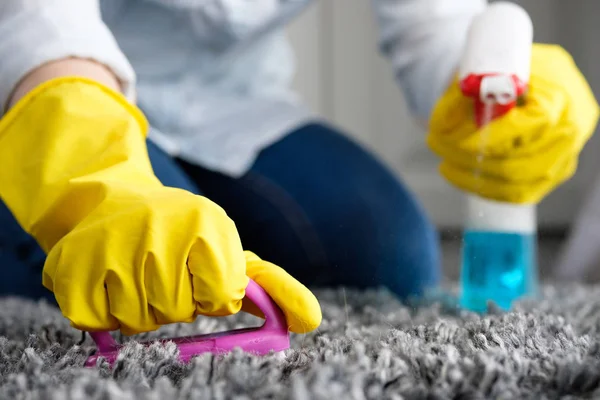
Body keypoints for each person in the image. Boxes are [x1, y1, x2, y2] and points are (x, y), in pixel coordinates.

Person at [0, 0, 596, 336]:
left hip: (232, 103)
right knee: (152, 300)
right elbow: (36, 26)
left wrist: (490, 82)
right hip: (44, 87)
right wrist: (101, 182)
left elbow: (432, 26)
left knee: (389, 256)